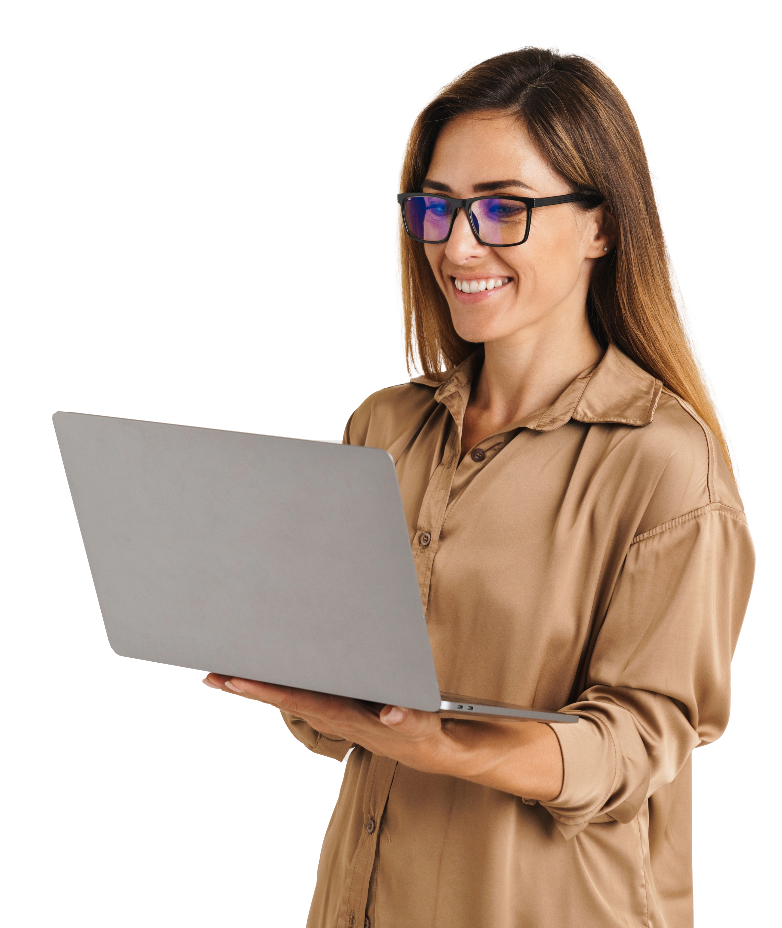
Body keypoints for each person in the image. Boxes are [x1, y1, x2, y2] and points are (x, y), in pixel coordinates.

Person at [203, 41, 755, 927]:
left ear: (602, 226)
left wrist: (444, 744)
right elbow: (337, 709)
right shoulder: (384, 428)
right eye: (437, 207)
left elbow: (638, 746)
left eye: (503, 208)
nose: (458, 246)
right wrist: (292, 670)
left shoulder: (662, 461)